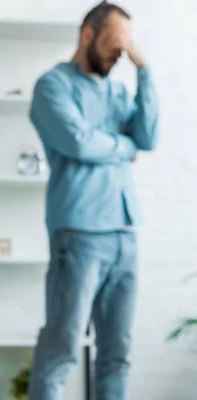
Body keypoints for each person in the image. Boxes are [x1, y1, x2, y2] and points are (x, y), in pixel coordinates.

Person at [27, 2, 158, 400]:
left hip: (124, 233)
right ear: (87, 34)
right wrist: (124, 144)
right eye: (114, 44)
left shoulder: (119, 89)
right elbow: (78, 143)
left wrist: (144, 70)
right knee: (61, 351)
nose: (119, 54)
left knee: (117, 355)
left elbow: (148, 138)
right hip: (79, 234)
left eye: (126, 46)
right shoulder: (53, 86)